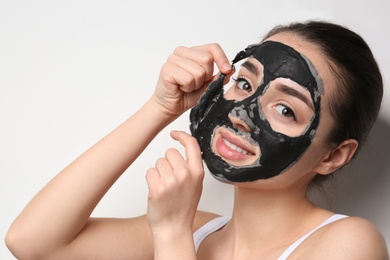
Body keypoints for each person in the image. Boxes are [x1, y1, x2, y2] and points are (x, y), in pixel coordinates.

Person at [5, 20, 389, 259]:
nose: (241, 113)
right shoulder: (197, 230)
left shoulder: (349, 243)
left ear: (333, 156)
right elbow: (32, 243)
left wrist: (170, 236)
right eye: (245, 82)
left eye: (286, 109)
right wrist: (160, 106)